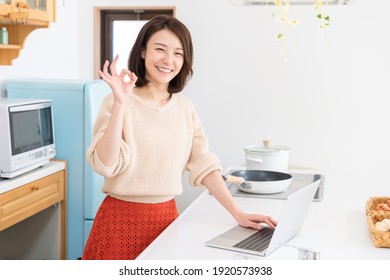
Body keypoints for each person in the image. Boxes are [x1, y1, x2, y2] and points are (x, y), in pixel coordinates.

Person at [82, 15, 277, 260]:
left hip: (166, 220)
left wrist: (238, 213)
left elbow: (204, 165)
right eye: (160, 49)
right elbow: (105, 164)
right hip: (119, 223)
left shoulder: (185, 108)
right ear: (143, 52)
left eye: (178, 53)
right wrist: (121, 104)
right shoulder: (117, 100)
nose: (168, 60)